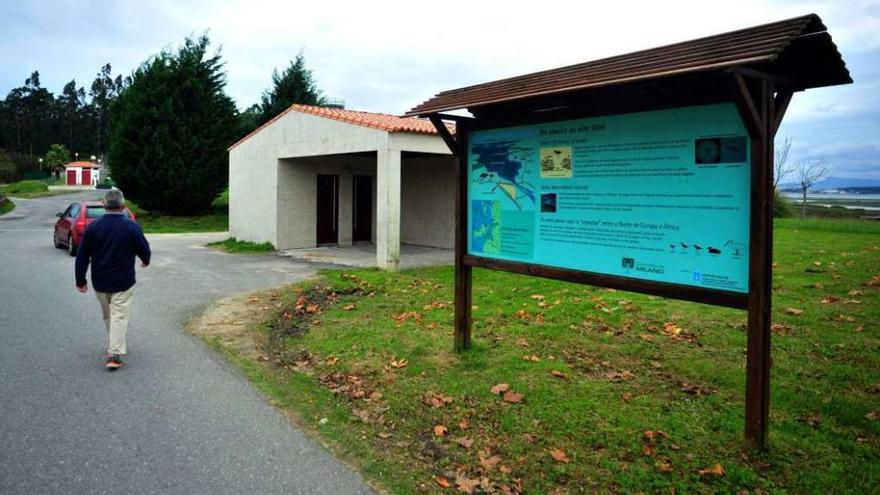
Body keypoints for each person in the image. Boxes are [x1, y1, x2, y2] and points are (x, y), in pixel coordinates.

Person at [75, 189, 151, 370]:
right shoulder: (131, 226)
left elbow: (82, 256)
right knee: (117, 315)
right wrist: (145, 260)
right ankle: (114, 352)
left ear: (104, 205)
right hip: (123, 281)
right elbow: (143, 247)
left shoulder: (93, 227)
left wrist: (80, 280)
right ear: (123, 206)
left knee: (110, 315)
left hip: (100, 281)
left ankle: (114, 348)